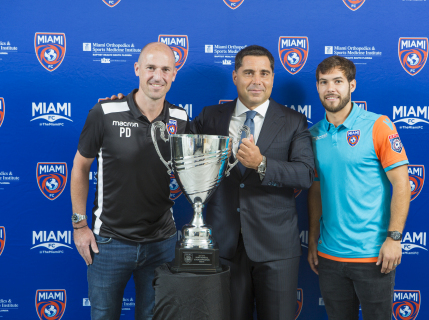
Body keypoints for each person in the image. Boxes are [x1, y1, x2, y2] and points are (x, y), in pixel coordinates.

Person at [191, 45, 315, 320]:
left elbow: (305, 173)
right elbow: (179, 149)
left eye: (264, 73)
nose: (256, 80)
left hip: (276, 249)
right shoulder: (209, 117)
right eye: (248, 73)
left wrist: (263, 164)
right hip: (224, 246)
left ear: (272, 78)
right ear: (235, 77)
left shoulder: (293, 121)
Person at [70, 42, 189, 320]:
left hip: (161, 243)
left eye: (165, 69)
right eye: (150, 68)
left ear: (173, 75)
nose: (157, 76)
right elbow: (79, 168)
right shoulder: (105, 113)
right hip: (109, 243)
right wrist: (79, 225)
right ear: (137, 69)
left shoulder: (182, 119)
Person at [307, 55, 411, 320]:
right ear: (317, 87)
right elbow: (316, 189)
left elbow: (402, 183)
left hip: (373, 255)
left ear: (352, 85)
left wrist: (394, 238)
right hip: (329, 256)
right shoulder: (313, 134)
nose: (330, 88)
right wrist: (313, 239)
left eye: (338, 81)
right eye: (324, 82)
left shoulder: (378, 125)